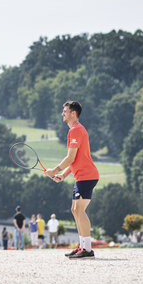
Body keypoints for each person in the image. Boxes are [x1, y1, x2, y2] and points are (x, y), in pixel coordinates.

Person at [45, 100, 101, 260]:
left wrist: (54, 170)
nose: (62, 113)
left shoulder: (76, 130)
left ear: (73, 113)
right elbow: (75, 160)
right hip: (82, 176)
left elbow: (70, 158)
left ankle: (87, 249)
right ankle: (82, 246)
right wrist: (62, 175)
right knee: (75, 210)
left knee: (79, 210)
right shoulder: (76, 130)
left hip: (87, 176)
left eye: (65, 111)